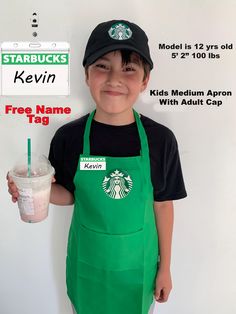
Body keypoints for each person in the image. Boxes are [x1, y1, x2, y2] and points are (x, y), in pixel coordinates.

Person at [7, 19, 187, 314]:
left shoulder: (160, 140)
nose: (114, 78)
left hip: (138, 273)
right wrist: (36, 189)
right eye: (102, 66)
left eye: (129, 69)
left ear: (144, 81)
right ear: (86, 75)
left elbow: (163, 205)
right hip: (87, 267)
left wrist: (164, 268)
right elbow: (69, 194)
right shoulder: (70, 137)